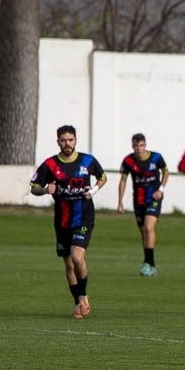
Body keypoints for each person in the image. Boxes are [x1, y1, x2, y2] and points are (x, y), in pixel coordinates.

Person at [29, 125, 107, 319]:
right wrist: (46, 189)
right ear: (58, 142)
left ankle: (83, 297)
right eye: (63, 140)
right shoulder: (49, 164)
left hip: (84, 218)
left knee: (77, 257)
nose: (67, 143)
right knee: (68, 265)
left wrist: (93, 191)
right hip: (62, 220)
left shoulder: (87, 160)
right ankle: (79, 302)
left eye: (70, 140)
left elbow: (102, 177)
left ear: (76, 140)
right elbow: (33, 188)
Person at [117, 133, 169, 277]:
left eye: (141, 145)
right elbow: (123, 181)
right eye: (135, 146)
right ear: (132, 146)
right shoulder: (128, 161)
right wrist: (120, 201)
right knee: (144, 232)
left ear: (145, 145)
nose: (138, 148)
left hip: (154, 197)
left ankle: (147, 263)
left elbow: (166, 172)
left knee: (148, 227)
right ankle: (151, 264)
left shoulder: (156, 157)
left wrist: (161, 189)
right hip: (138, 200)